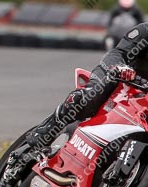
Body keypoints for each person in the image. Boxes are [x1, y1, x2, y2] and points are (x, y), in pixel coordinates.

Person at [25, 22, 148, 150]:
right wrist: (120, 68)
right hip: (118, 78)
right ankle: (46, 130)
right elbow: (118, 53)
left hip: (142, 98)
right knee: (90, 98)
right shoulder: (145, 30)